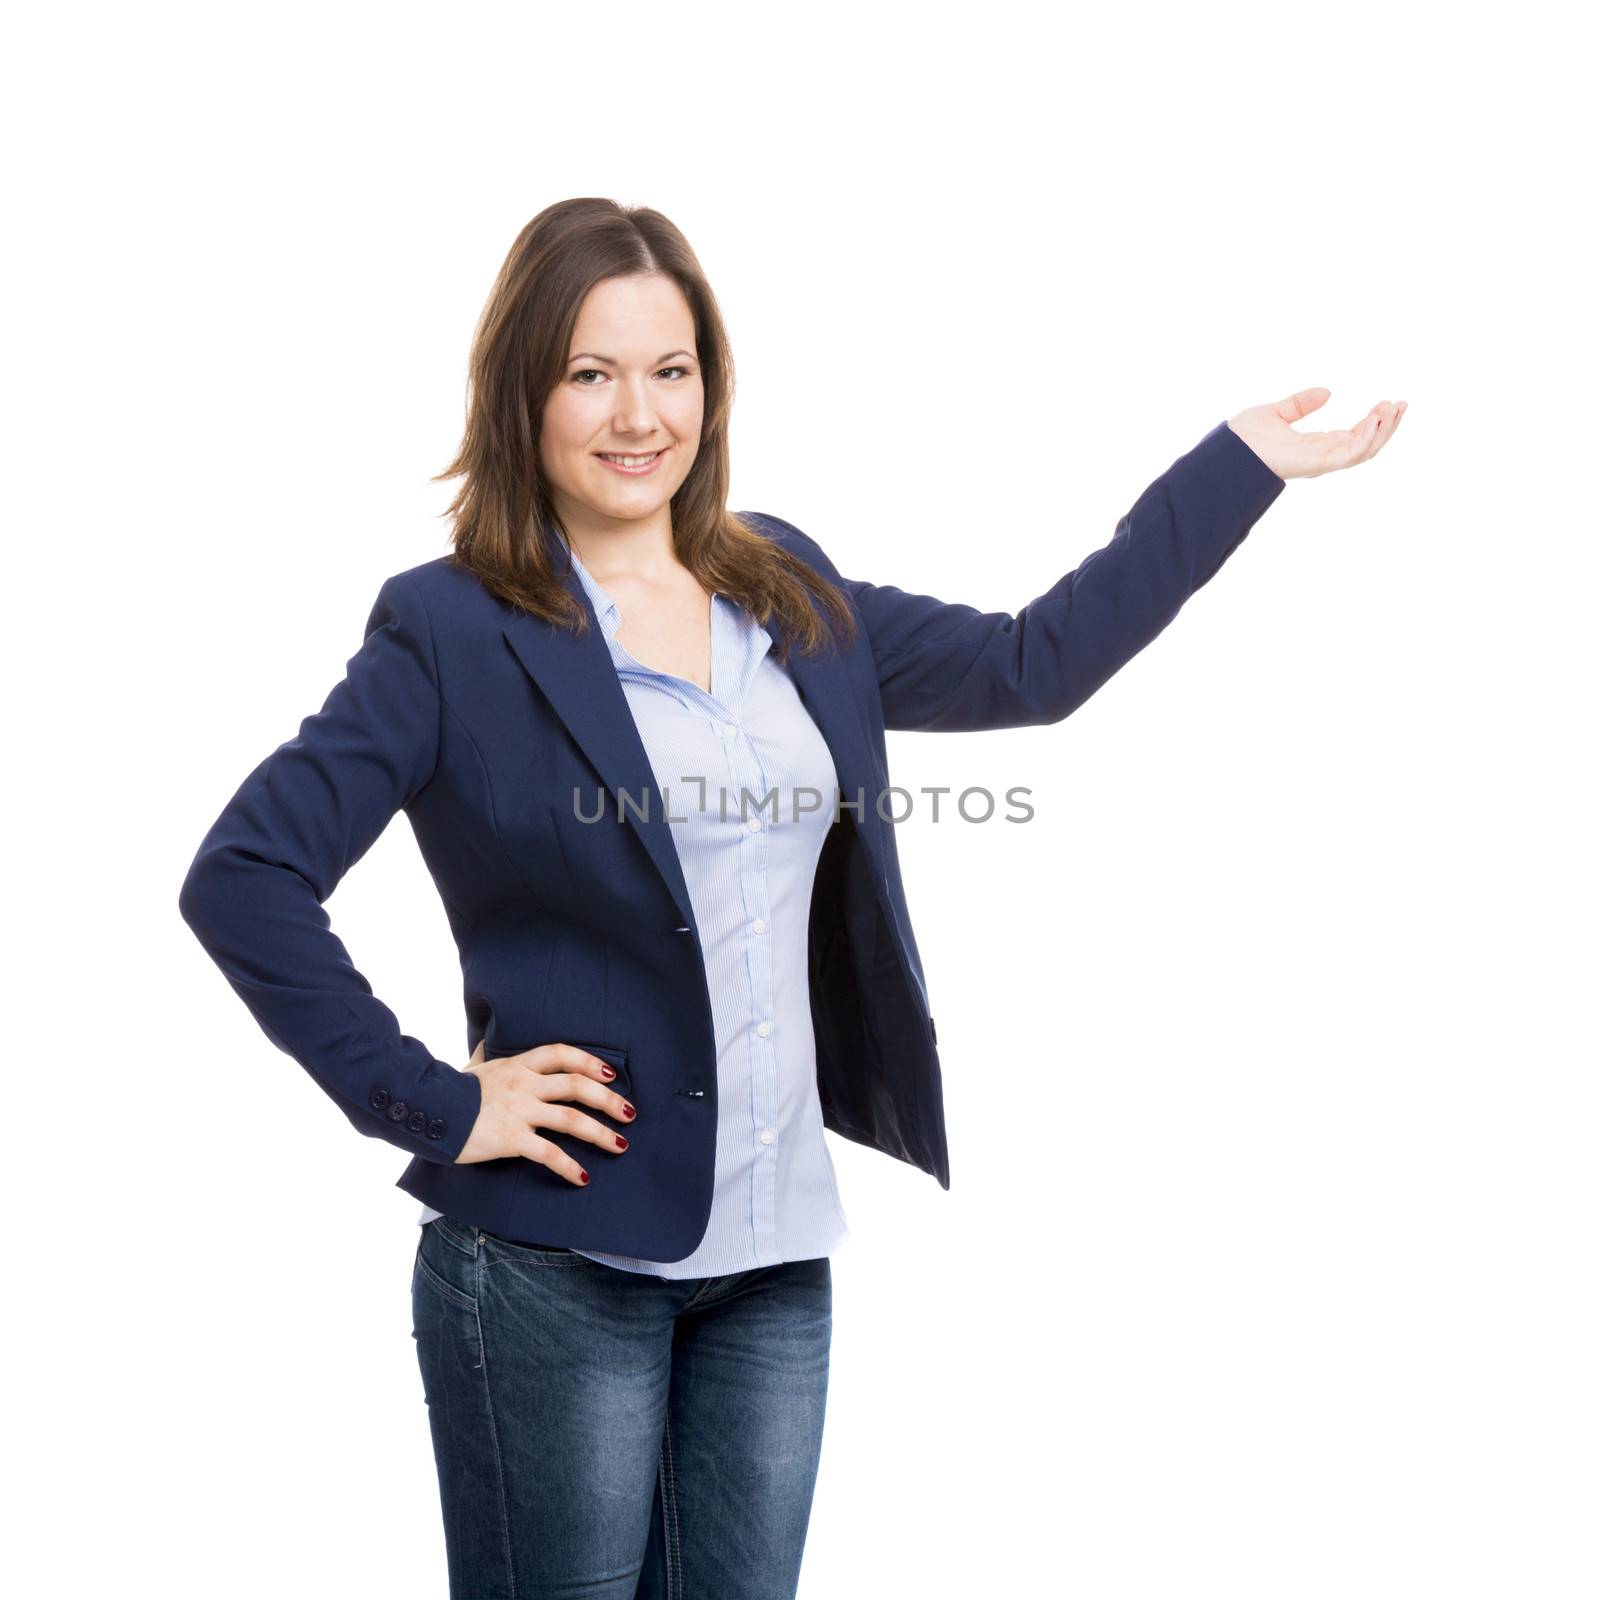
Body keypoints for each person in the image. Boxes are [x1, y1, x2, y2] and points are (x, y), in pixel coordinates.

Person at [177, 196, 1405, 1598]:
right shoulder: (453, 628)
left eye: (672, 369)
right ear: (523, 391)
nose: (639, 413)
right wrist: (441, 1104)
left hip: (773, 1262)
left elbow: (1032, 663)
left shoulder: (783, 586)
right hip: (553, 1265)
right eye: (591, 373)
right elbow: (246, 876)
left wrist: (1238, 468)